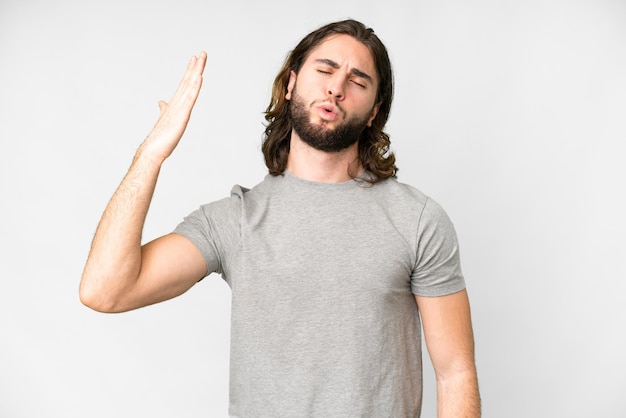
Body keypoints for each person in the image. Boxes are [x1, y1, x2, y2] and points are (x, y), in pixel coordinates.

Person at [80, 19, 480, 417]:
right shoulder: (234, 221)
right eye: (324, 70)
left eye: (358, 82)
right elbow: (105, 290)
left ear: (375, 111)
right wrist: (151, 153)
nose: (336, 88)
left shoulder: (417, 220)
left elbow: (455, 375)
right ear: (290, 85)